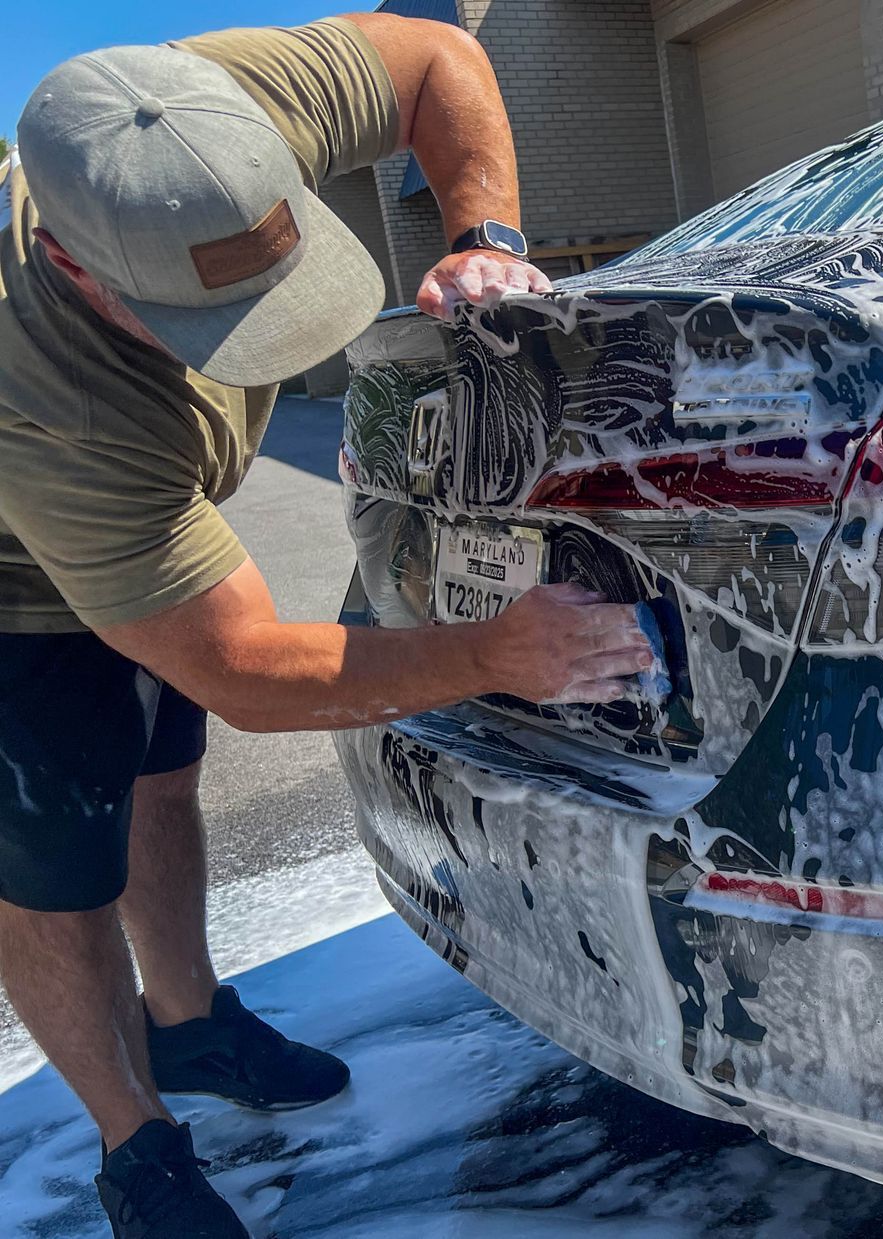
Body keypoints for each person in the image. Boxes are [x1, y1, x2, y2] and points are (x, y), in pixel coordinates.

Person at [0, 14, 657, 1237]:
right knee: (53, 859)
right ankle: (134, 1142)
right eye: (207, 318)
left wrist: (485, 236)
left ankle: (189, 1025)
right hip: (15, 574)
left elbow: (437, 58)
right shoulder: (50, 398)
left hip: (139, 503)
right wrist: (492, 655)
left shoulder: (208, 113)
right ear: (78, 271)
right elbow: (246, 669)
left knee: (160, 770)